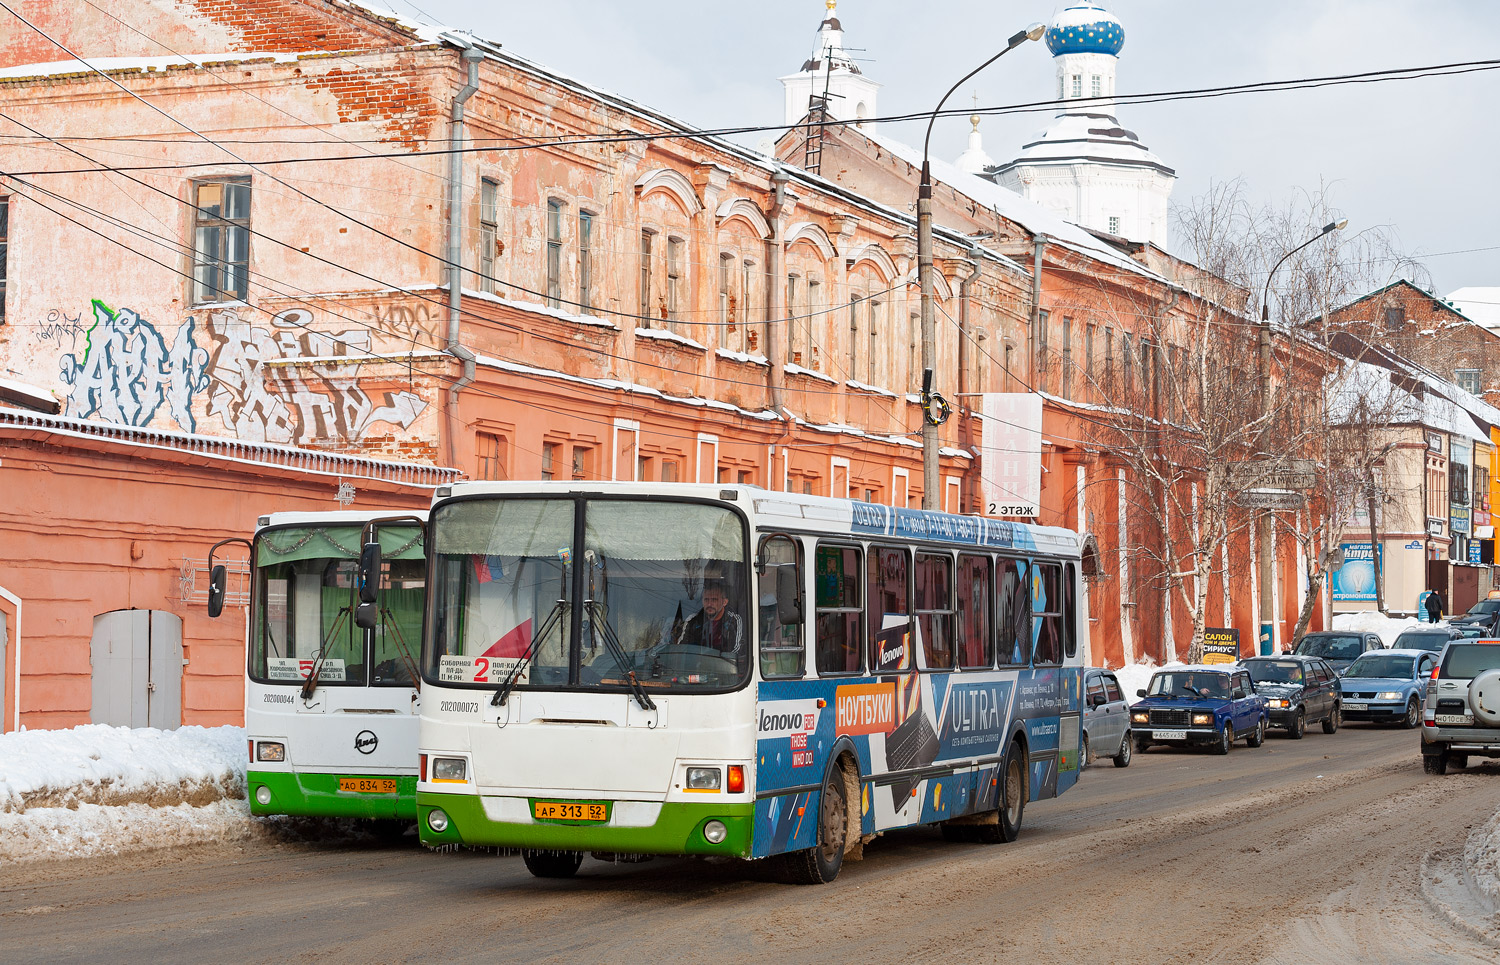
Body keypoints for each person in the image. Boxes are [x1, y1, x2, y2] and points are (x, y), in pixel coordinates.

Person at [674, 582, 745, 656]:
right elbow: (682, 648)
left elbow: (737, 650)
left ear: (724, 602)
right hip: (695, 665)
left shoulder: (734, 621)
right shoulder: (693, 621)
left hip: (724, 666)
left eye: (714, 600)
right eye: (706, 600)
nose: (709, 604)